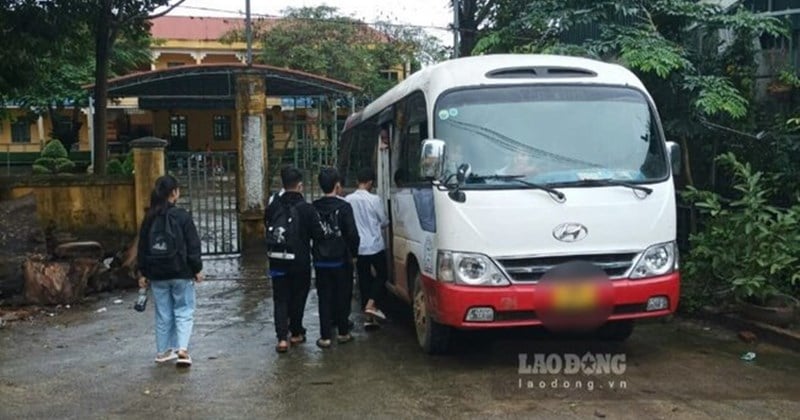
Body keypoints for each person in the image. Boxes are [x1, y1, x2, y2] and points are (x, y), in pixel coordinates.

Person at [137, 175, 203, 368]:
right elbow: (193, 245)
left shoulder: (149, 218)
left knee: (163, 313)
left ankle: (163, 351)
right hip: (181, 272)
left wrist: (142, 272)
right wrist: (197, 269)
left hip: (156, 273)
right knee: (183, 310)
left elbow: (142, 247)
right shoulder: (182, 216)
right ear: (173, 193)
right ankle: (182, 349)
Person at [265, 166, 326, 353]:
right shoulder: (307, 209)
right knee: (299, 296)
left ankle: (282, 339)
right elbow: (319, 235)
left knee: (280, 298)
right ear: (300, 186)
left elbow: (267, 225)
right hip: (300, 260)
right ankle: (296, 332)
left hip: (277, 259)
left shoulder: (273, 205)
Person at [312, 168, 360, 348]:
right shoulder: (344, 207)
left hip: (320, 260)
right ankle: (343, 332)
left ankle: (325, 337)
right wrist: (354, 254)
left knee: (324, 297)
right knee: (343, 295)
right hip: (341, 260)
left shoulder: (313, 207)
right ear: (337, 185)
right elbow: (353, 234)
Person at [345, 167, 389, 328]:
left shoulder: (348, 199)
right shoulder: (374, 199)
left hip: (359, 247)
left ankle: (368, 319)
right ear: (370, 182)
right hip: (375, 245)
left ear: (357, 181)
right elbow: (384, 221)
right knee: (382, 274)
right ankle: (371, 304)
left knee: (364, 279)